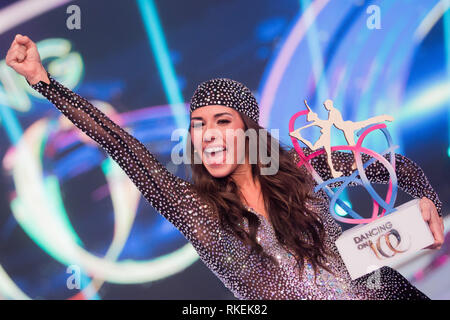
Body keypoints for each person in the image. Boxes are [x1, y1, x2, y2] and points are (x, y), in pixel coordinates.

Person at [6, 34, 445, 300]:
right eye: (199, 125)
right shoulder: (194, 210)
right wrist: (44, 83)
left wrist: (427, 198)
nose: (209, 133)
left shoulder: (302, 170)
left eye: (223, 122)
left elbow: (390, 165)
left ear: (250, 133)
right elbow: (118, 143)